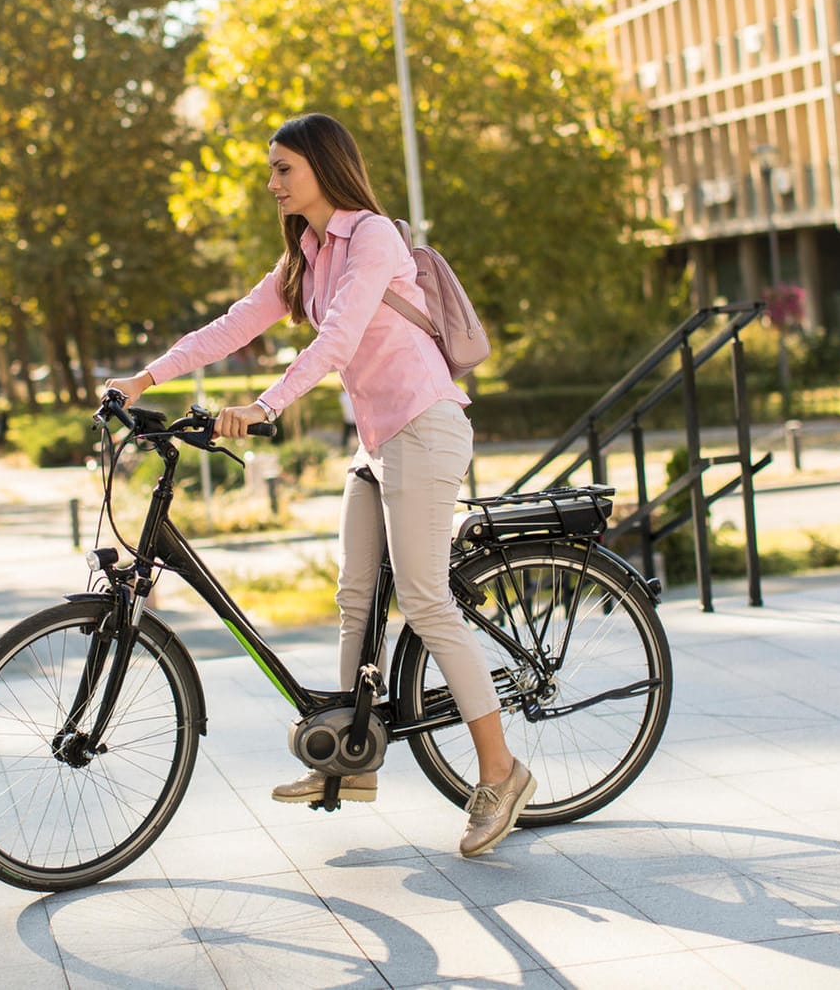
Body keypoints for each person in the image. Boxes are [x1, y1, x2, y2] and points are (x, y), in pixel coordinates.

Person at [105, 113, 533, 858]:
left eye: (282, 170)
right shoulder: (304, 251)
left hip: (424, 425)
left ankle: (500, 771)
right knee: (353, 597)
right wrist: (145, 377)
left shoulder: (372, 237)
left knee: (426, 597)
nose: (270, 183)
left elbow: (335, 337)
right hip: (378, 439)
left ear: (322, 168)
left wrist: (267, 405)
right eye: (270, 170)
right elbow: (235, 323)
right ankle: (348, 760)